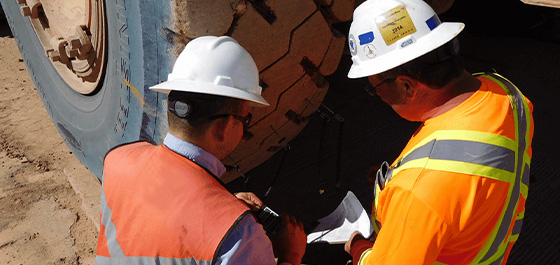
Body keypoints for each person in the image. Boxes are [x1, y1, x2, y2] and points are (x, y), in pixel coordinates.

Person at [344, 0, 534, 264]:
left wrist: (359, 249)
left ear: (406, 86)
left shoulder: (417, 191)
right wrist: (401, 176)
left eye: (375, 88)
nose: (377, 96)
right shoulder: (506, 93)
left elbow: (430, 188)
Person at [95, 36, 307, 265]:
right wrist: (291, 256)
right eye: (246, 119)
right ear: (223, 127)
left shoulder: (117, 159)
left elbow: (158, 214)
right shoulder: (239, 237)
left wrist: (219, 208)